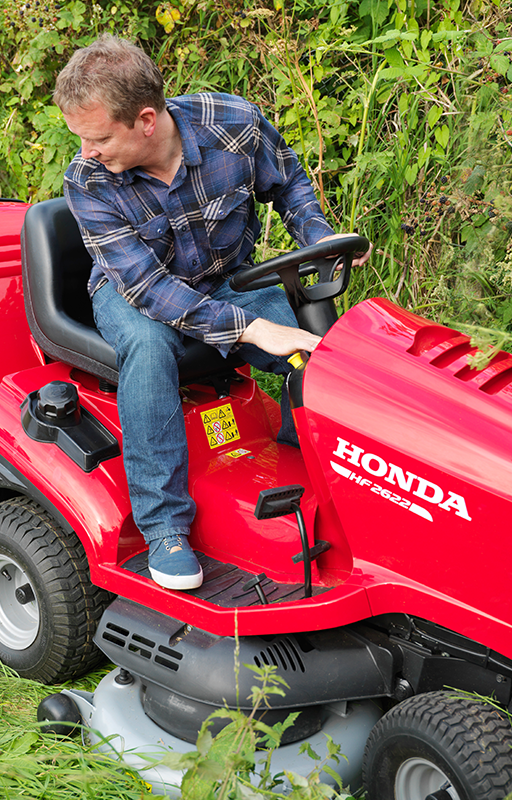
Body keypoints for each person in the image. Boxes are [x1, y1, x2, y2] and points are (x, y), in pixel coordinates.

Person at [53, 34, 370, 591]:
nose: (87, 151)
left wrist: (319, 237)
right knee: (150, 349)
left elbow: (290, 183)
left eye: (99, 137)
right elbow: (149, 289)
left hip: (224, 280)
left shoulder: (233, 123)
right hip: (133, 296)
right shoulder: (90, 182)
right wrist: (251, 327)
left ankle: (311, 473)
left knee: (315, 351)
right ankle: (165, 528)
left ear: (145, 120)